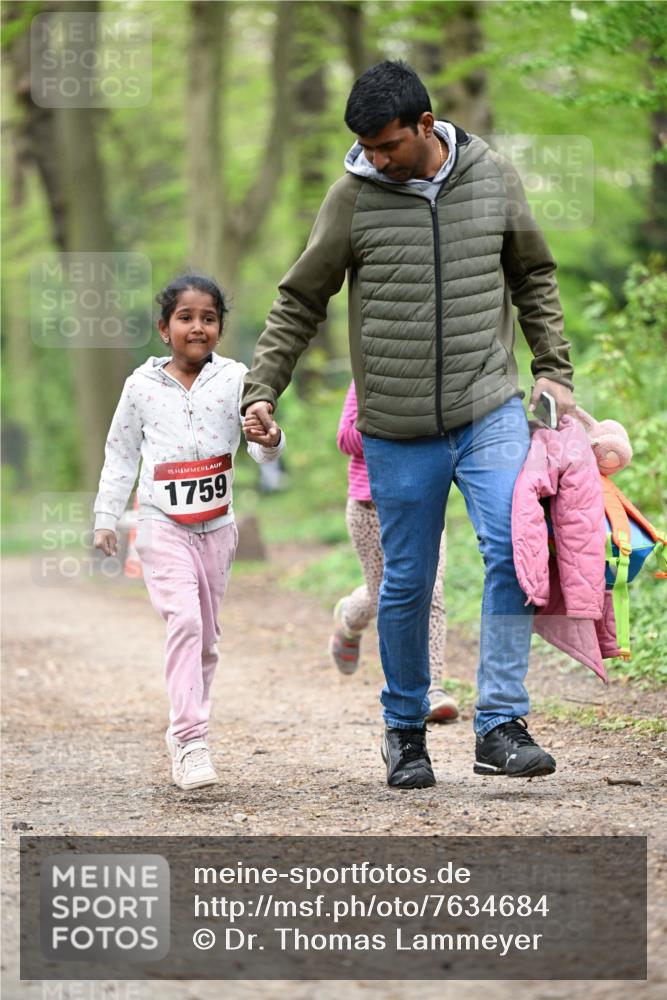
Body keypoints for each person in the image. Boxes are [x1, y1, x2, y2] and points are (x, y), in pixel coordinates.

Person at [241, 61, 576, 789]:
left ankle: (500, 726)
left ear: (425, 126)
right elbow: (300, 298)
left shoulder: (493, 177)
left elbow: (533, 276)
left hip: (489, 407)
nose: (375, 158)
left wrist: (552, 367)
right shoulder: (351, 197)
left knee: (512, 552)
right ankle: (403, 732)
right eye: (363, 146)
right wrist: (261, 389)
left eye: (386, 144)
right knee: (405, 583)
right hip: (394, 425)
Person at [93, 274, 284, 791]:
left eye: (208, 318)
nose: (197, 327)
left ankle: (183, 733)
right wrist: (106, 518)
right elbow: (120, 453)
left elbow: (263, 451)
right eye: (185, 317)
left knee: (207, 639)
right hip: (162, 523)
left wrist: (270, 437)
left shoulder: (237, 378)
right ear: (164, 328)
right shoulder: (140, 387)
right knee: (184, 622)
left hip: (217, 527)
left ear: (220, 328)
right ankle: (192, 739)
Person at [330, 380, 459, 724]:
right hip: (370, 507)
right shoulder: (364, 380)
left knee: (430, 591)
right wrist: (388, 419)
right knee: (383, 596)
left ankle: (432, 689)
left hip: (423, 503)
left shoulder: (435, 377)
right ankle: (349, 618)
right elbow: (345, 440)